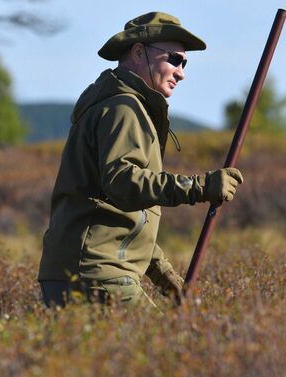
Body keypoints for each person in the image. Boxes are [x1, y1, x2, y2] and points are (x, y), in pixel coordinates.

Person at [38, 11, 244, 307]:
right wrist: (201, 186)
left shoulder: (115, 104)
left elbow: (122, 217)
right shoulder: (124, 108)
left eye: (184, 63)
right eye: (174, 59)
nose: (181, 72)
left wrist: (164, 276)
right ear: (138, 52)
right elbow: (123, 183)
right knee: (168, 352)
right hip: (99, 275)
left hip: (78, 272)